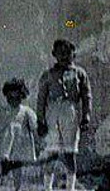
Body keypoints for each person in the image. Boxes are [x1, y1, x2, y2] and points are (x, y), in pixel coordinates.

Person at [37, 39, 92, 191]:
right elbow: (41, 99)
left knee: (69, 152)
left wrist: (86, 116)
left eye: (67, 53)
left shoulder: (79, 73)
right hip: (52, 114)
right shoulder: (48, 75)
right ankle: (47, 187)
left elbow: (86, 96)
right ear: (54, 54)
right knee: (52, 151)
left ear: (73, 54)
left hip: (71, 113)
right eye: (60, 53)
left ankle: (70, 187)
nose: (64, 56)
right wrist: (40, 121)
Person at [0, 78, 37, 190]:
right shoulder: (3, 109)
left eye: (17, 98)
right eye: (10, 98)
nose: (14, 100)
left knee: (17, 167)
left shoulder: (25, 111)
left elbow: (34, 124)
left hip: (19, 144)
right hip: (5, 144)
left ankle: (17, 188)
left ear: (22, 96)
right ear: (7, 97)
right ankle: (0, 185)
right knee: (4, 166)